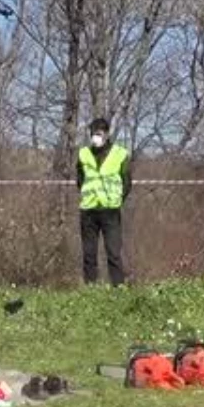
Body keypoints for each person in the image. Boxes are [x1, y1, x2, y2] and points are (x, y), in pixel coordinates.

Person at [76, 117, 131, 286]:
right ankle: (90, 288)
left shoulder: (120, 154)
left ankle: (118, 288)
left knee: (113, 253)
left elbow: (127, 182)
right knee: (89, 254)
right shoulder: (83, 154)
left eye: (99, 134)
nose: (95, 137)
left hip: (110, 211)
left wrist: (117, 200)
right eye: (93, 134)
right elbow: (80, 180)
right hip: (89, 210)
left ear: (107, 134)